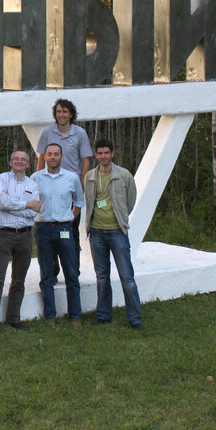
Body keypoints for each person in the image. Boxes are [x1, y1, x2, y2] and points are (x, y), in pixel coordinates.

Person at [84, 138, 143, 329]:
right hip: (97, 233)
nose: (103, 156)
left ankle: (135, 319)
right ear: (96, 155)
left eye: (106, 153)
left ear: (112, 154)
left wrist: (121, 217)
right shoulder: (90, 177)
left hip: (117, 232)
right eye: (100, 153)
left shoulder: (123, 175)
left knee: (127, 277)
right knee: (101, 276)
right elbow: (89, 199)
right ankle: (103, 315)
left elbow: (131, 200)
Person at [0, 150, 40, 334]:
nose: (19, 162)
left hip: (25, 236)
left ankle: (13, 319)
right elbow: (2, 203)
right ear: (10, 162)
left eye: (23, 159)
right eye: (16, 159)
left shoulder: (33, 184)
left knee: (19, 280)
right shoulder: (1, 179)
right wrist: (26, 204)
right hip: (4, 235)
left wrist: (19, 206)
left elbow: (34, 211)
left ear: (28, 164)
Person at [36, 98, 93, 277]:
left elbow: (85, 161)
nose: (62, 115)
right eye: (59, 111)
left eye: (65, 112)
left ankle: (72, 270)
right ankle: (52, 272)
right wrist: (37, 182)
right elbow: (40, 157)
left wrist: (81, 185)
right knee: (48, 230)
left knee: (70, 231)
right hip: (50, 187)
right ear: (55, 114)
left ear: (71, 114)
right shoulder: (47, 133)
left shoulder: (80, 133)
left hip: (70, 189)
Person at [32, 143, 85, 327]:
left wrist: (70, 219)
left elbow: (79, 202)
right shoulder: (35, 178)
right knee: (46, 274)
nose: (53, 157)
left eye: (56, 154)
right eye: (49, 154)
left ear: (62, 157)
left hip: (64, 229)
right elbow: (30, 202)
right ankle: (50, 316)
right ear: (44, 157)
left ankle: (75, 315)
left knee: (71, 272)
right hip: (43, 229)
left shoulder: (72, 178)